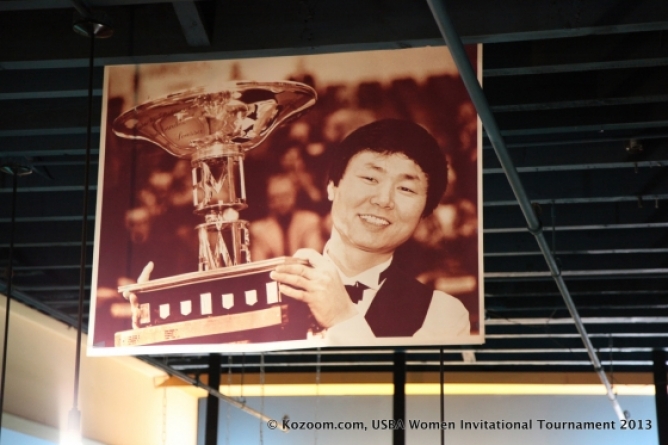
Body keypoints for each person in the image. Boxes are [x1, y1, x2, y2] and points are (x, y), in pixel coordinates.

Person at [269, 119, 470, 344]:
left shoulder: (442, 315)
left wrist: (342, 318)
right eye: (370, 178)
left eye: (406, 188)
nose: (383, 200)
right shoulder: (269, 288)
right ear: (332, 186)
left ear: (424, 213)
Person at [249, 173, 324, 260]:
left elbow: (313, 256)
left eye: (286, 195)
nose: (281, 201)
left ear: (294, 195)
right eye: (276, 197)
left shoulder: (310, 221)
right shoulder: (258, 230)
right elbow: (259, 265)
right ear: (269, 200)